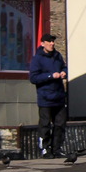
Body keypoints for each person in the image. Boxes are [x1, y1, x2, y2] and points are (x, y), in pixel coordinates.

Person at [28, 33, 75, 163]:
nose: (52, 43)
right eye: (49, 41)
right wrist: (50, 76)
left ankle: (57, 149)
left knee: (60, 124)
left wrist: (64, 72)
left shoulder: (57, 56)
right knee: (45, 124)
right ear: (42, 43)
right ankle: (45, 150)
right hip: (45, 98)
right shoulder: (37, 59)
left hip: (59, 96)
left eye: (53, 41)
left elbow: (64, 66)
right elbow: (33, 78)